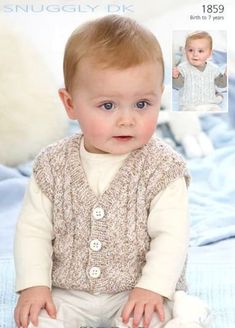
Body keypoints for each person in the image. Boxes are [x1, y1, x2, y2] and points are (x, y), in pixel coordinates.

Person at [14, 15, 191, 328]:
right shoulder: (52, 166)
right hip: (68, 290)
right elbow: (33, 231)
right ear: (70, 104)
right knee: (35, 319)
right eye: (108, 106)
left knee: (158, 317)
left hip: (135, 290)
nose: (127, 119)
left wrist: (152, 287)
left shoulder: (164, 168)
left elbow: (172, 237)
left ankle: (186, 312)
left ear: (159, 97)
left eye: (142, 104)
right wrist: (34, 284)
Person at [172, 31, 227, 111]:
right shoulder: (182, 68)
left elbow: (221, 84)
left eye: (200, 51)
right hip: (189, 104)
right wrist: (176, 77)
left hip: (210, 103)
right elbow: (177, 86)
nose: (195, 54)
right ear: (185, 51)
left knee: (216, 111)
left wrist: (225, 75)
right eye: (190, 50)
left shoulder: (213, 68)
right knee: (189, 112)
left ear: (209, 54)